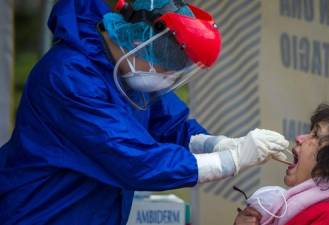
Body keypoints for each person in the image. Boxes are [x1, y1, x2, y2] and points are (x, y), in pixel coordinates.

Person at [0, 0, 290, 224]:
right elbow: (135, 162)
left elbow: (171, 128)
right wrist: (231, 161)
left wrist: (220, 143)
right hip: (40, 212)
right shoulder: (70, 77)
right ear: (139, 44)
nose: (167, 78)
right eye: (167, 68)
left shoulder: (127, 73)